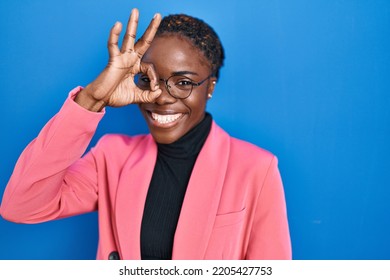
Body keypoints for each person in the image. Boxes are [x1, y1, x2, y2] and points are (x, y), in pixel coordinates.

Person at [0, 8, 291, 260]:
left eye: (183, 82)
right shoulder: (112, 156)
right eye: (147, 79)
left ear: (210, 87)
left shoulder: (256, 168)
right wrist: (92, 99)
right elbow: (21, 206)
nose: (161, 97)